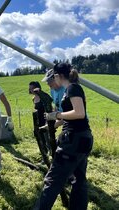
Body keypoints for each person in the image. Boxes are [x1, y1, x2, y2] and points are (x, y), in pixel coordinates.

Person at [36, 62, 93, 210]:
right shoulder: (71, 89)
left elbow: (79, 113)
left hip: (73, 140)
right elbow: (71, 115)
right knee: (79, 180)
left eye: (54, 76)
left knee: (53, 180)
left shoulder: (73, 88)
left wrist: (56, 114)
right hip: (82, 138)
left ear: (58, 75)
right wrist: (52, 121)